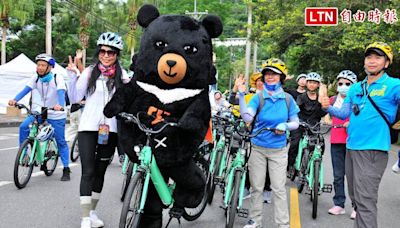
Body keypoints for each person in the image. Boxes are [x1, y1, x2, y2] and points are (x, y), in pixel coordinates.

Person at [321, 42, 400, 228]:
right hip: (351, 147)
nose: (372, 61)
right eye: (369, 57)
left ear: (386, 63)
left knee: (366, 200)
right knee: (356, 198)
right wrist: (327, 106)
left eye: (378, 57)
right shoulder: (356, 88)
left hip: (373, 148)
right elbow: (343, 113)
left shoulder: (393, 85)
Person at [67, 32, 131, 228]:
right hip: (88, 128)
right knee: (88, 171)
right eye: (102, 51)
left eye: (110, 52)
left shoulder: (123, 75)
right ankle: (85, 217)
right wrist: (71, 75)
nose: (106, 55)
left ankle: (93, 212)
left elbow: (129, 99)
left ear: (117, 54)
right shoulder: (89, 72)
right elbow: (75, 96)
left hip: (110, 130)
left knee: (100, 172)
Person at [239, 58, 300, 228]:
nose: (270, 77)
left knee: (279, 189)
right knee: (256, 187)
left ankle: (283, 224)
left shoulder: (288, 99)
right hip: (257, 148)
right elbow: (247, 118)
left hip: (278, 150)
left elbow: (295, 122)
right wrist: (242, 96)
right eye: (267, 74)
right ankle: (254, 220)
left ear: (281, 77)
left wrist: (285, 125)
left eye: (274, 74)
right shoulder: (258, 98)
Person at [8, 53, 70, 181]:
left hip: (56, 113)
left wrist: (60, 105)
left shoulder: (57, 78)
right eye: (38, 65)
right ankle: (24, 155)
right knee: (24, 126)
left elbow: (60, 92)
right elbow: (25, 90)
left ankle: (66, 168)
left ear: (50, 67)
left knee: (60, 141)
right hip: (40, 112)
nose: (40, 67)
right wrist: (14, 100)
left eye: (43, 65)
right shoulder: (35, 78)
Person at [326, 70, 357, 217]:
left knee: (354, 176)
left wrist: (352, 122)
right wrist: (327, 119)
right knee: (338, 175)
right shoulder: (331, 100)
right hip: (336, 140)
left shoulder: (358, 100)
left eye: (347, 83)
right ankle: (339, 204)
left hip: (353, 142)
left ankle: (356, 207)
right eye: (341, 83)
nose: (343, 86)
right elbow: (326, 114)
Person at [287, 72, 327, 175]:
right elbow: (295, 109)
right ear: (307, 83)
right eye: (310, 82)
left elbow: (323, 112)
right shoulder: (302, 97)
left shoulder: (320, 97)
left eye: (314, 83)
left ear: (318, 85)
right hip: (301, 123)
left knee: (319, 145)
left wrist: (321, 103)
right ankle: (290, 166)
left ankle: (314, 166)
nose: (312, 85)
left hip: (314, 125)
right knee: (294, 144)